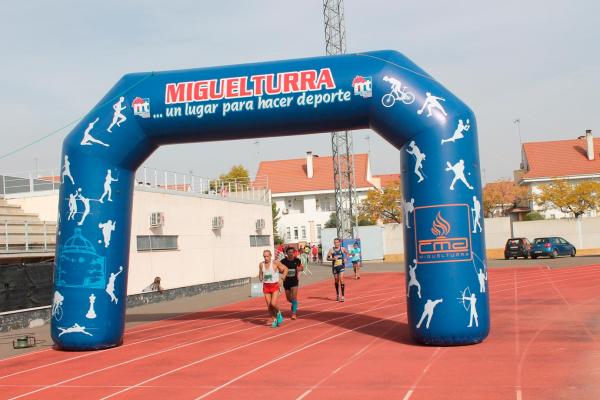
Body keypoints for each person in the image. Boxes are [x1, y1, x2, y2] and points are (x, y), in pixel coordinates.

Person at [259, 249, 288, 328]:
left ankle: (279, 313)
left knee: (273, 303)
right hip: (266, 286)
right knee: (269, 306)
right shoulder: (261, 264)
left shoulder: (275, 263)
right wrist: (261, 277)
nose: (266, 258)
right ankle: (274, 320)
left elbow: (286, 269)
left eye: (267, 256)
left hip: (275, 285)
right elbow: (260, 274)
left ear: (271, 256)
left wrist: (282, 279)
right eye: (264, 256)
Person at [280, 246, 304, 319]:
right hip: (286, 282)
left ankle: (294, 313)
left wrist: (299, 268)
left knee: (294, 297)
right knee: (289, 299)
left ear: (294, 253)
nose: (290, 254)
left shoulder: (297, 260)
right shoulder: (283, 261)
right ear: (286, 253)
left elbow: (302, 268)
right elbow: (279, 269)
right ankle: (294, 304)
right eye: (289, 252)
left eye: (292, 252)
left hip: (294, 281)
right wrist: (281, 271)